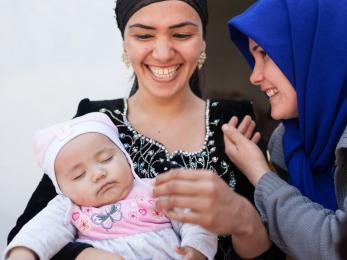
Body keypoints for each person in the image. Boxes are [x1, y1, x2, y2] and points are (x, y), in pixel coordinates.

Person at [7, 1, 285, 259]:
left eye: (181, 35)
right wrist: (82, 254)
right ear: (125, 44)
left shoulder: (234, 123)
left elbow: (272, 252)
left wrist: (244, 219)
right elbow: (28, 236)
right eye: (144, 36)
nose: (163, 53)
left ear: (202, 43)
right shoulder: (95, 123)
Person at [200, 0, 347, 259]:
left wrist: (259, 173)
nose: (254, 76)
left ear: (314, 51)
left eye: (265, 54)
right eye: (253, 57)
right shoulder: (289, 143)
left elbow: (335, 246)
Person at [4, 112, 217, 260]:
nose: (98, 174)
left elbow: (196, 219)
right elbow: (39, 232)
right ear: (62, 189)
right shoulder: (67, 206)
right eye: (79, 175)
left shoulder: (156, 189)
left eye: (106, 159)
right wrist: (23, 252)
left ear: (126, 157)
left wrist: (195, 248)